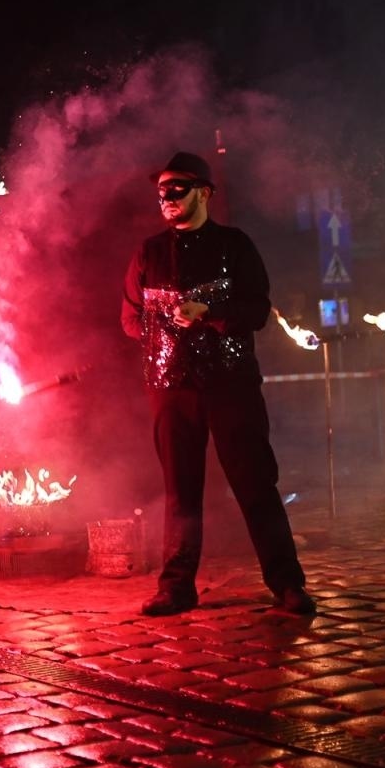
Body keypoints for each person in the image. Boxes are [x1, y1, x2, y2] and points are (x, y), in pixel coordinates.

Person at [121, 151, 316, 617]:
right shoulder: (147, 253)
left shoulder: (235, 245)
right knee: (180, 491)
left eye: (177, 189)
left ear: (204, 193)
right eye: (161, 191)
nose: (166, 198)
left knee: (255, 483)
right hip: (171, 387)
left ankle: (287, 584)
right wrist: (160, 321)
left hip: (231, 385)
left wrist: (207, 314)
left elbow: (257, 311)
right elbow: (128, 319)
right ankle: (176, 587)